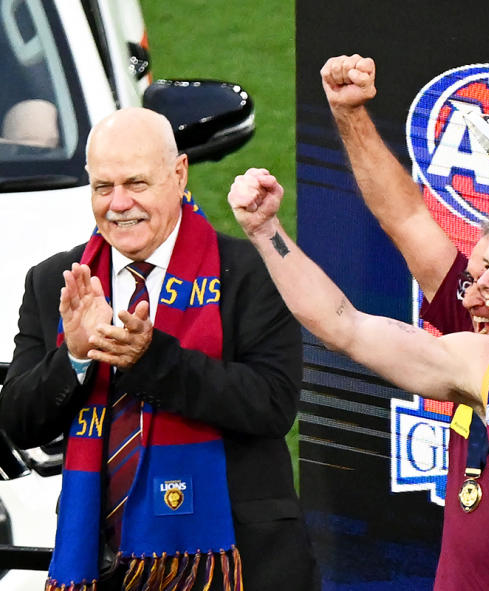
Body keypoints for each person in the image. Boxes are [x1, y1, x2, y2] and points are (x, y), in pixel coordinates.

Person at [228, 166, 489, 590]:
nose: (483, 285)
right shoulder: (485, 365)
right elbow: (345, 327)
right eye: (485, 267)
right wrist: (266, 232)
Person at [0, 108, 314, 591]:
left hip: (238, 565)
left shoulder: (251, 274)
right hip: (101, 564)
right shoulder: (55, 282)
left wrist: (152, 360)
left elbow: (273, 405)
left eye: (136, 184)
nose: (119, 203)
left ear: (179, 174)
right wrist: (74, 358)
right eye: (103, 187)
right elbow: (20, 423)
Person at [320, 53, 489, 590]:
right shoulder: (471, 321)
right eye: (479, 270)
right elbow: (405, 217)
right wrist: (351, 115)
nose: (482, 288)